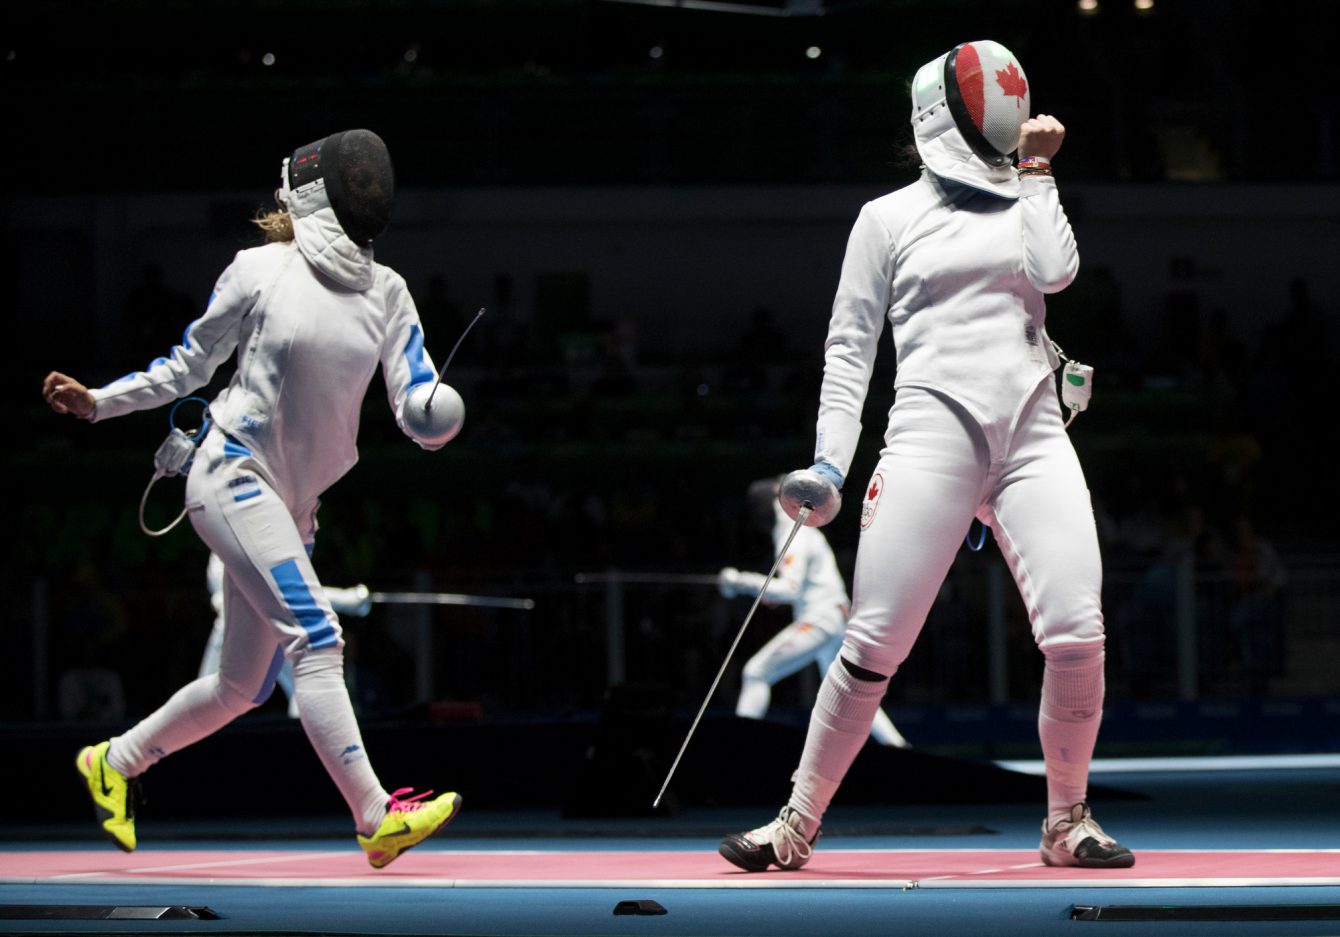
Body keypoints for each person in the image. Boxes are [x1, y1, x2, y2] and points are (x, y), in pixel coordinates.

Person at [718, 41, 1134, 873]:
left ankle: (1066, 820)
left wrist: (1039, 173)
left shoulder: (1028, 193)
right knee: (873, 645)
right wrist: (829, 465)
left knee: (1077, 632)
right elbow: (849, 348)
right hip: (929, 438)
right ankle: (795, 822)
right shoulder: (886, 218)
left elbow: (1056, 274)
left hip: (1032, 435)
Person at [44, 129, 467, 868]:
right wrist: (100, 402)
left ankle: (114, 761)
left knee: (241, 686)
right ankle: (375, 815)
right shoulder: (261, 270)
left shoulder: (389, 292)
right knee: (317, 637)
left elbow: (414, 391)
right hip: (232, 472)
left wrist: (432, 411)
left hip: (295, 505)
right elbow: (188, 365)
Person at [719, 476, 908, 749]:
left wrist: (740, 582)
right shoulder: (800, 530)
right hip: (832, 619)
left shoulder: (793, 531)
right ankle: (898, 746)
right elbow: (797, 588)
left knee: (756, 672)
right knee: (849, 694)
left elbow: (789, 589)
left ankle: (739, 747)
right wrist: (767, 590)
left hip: (821, 621)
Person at [200, 552, 373, 719]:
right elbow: (287, 591)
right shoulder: (243, 541)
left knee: (304, 689)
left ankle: (303, 736)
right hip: (235, 624)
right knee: (207, 700)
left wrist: (349, 600)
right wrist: (348, 600)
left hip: (271, 627)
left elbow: (286, 590)